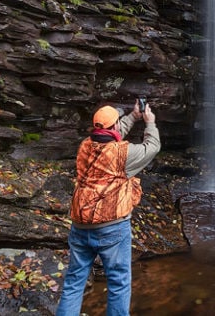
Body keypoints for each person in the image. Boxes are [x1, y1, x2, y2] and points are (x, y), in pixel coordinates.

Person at [56, 100, 161, 316]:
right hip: (112, 226)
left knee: (74, 282)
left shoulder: (85, 146)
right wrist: (149, 123)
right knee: (118, 282)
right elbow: (152, 147)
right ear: (114, 126)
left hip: (81, 224)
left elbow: (112, 133)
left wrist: (133, 116)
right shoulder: (123, 154)